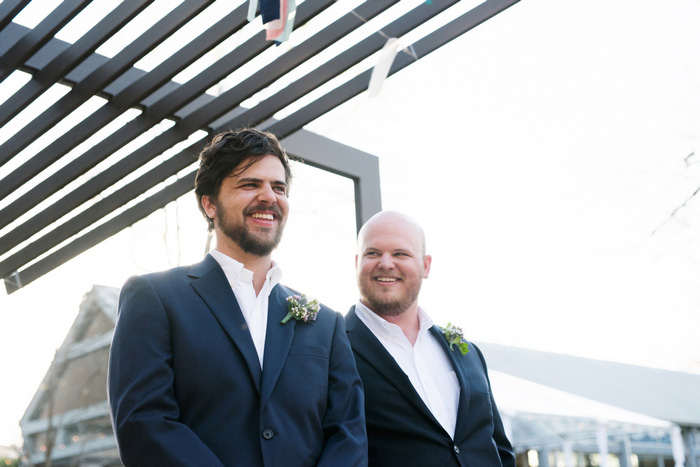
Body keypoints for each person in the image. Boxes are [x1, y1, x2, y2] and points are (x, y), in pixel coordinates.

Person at [108, 128, 367, 466]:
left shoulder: (326, 324)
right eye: (250, 184)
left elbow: (348, 434)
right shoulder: (155, 298)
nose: (269, 196)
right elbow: (144, 425)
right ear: (210, 204)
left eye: (279, 187)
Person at [345, 210, 515, 466]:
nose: (386, 263)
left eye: (400, 253)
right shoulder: (333, 347)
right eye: (373, 253)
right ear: (357, 262)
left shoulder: (467, 352)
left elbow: (498, 447)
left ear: (426, 265)